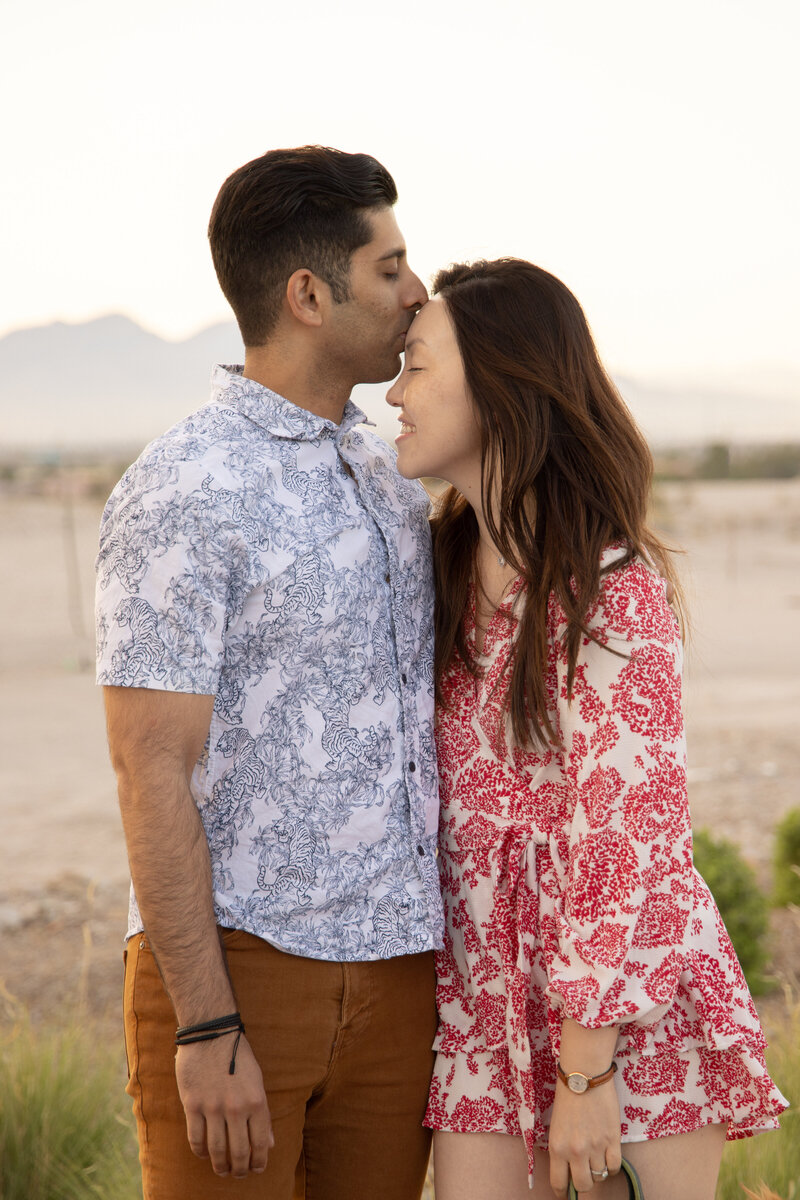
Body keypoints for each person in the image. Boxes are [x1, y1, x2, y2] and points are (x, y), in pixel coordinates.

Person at [386, 258, 788, 1200]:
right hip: (484, 1005)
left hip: (618, 1014)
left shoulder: (609, 592)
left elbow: (625, 831)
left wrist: (586, 1067)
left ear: (500, 383)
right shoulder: (437, 575)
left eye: (416, 366)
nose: (395, 395)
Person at [95, 146, 443, 1200]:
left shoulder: (392, 476)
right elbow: (150, 766)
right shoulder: (182, 488)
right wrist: (203, 1019)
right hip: (244, 978)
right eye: (387, 269)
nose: (414, 293)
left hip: (401, 981)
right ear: (306, 294)